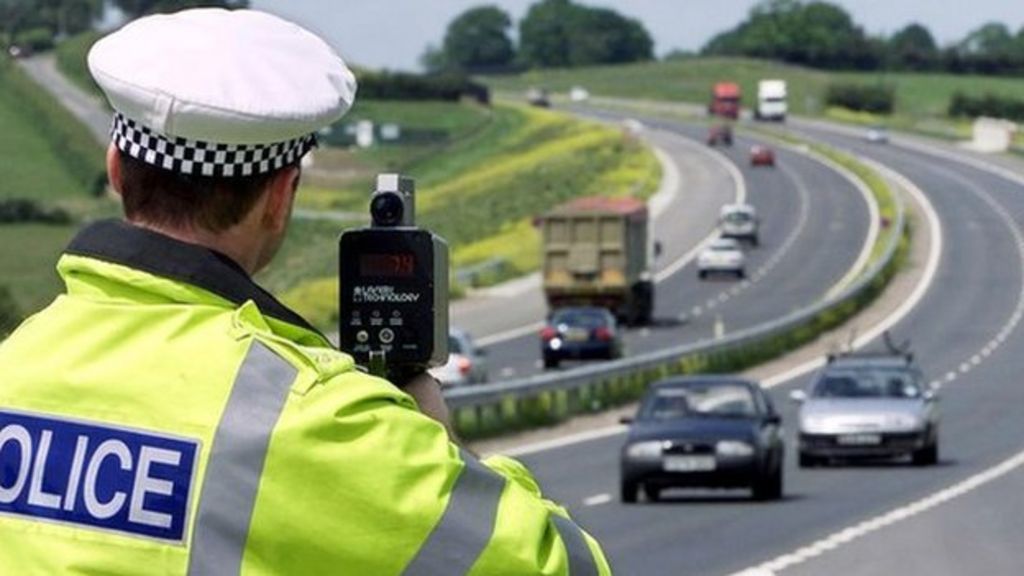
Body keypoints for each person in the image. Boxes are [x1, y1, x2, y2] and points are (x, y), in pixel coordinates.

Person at [0, 8, 611, 575]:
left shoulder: (14, 367)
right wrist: (440, 442)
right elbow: (563, 565)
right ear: (279, 196)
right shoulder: (311, 420)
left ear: (114, 168)